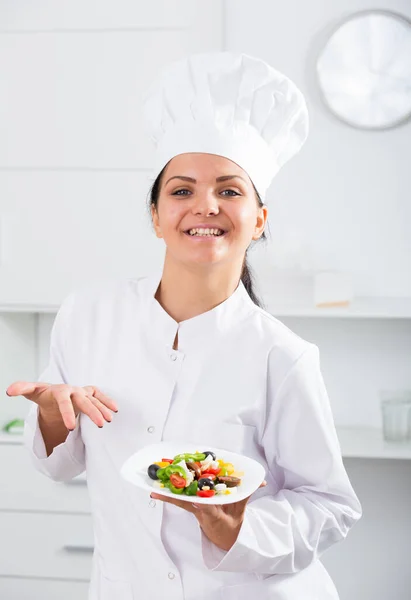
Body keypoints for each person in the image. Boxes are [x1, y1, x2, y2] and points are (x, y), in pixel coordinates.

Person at [6, 52, 361, 600]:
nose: (205, 206)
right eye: (181, 190)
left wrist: (236, 527)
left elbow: (330, 504)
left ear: (259, 218)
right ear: (155, 216)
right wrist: (55, 418)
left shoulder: (282, 355)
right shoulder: (88, 315)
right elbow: (60, 467)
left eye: (229, 190)